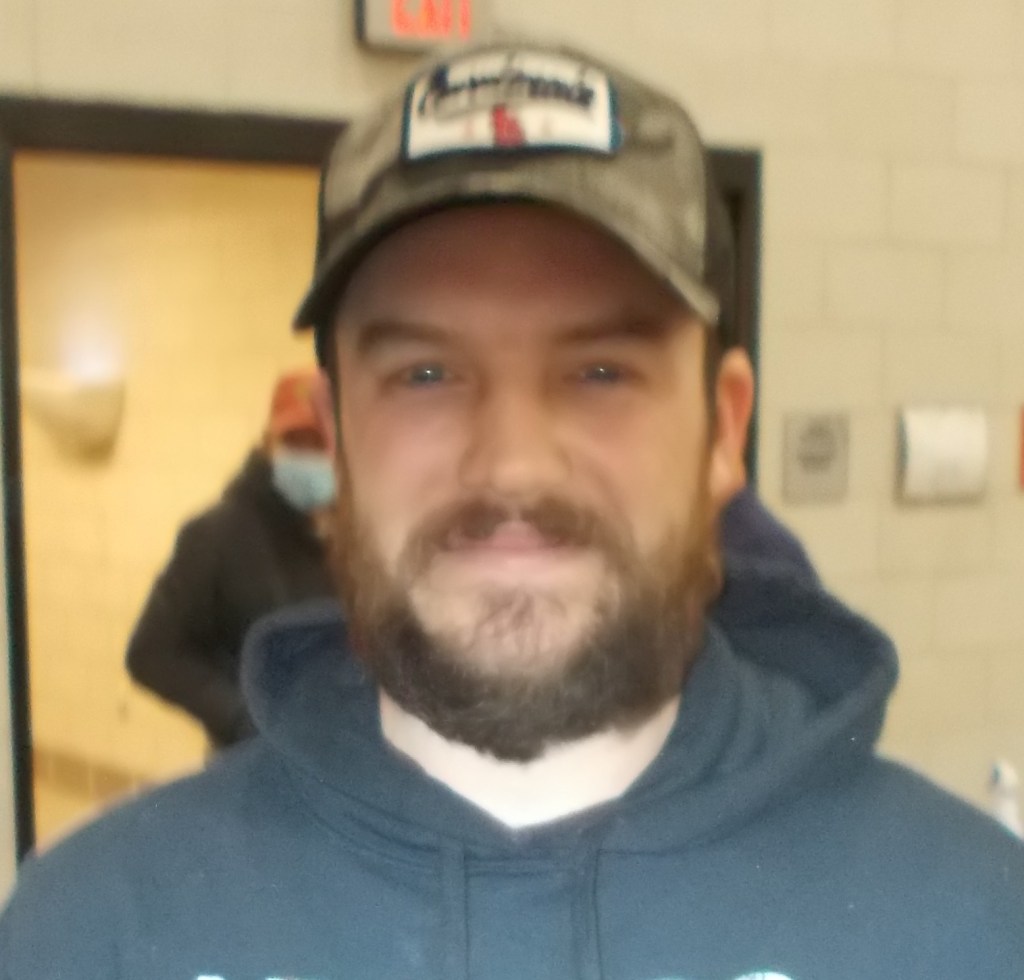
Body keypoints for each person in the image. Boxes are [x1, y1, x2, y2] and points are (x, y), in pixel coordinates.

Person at [3, 36, 1022, 979]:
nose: (513, 465)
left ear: (723, 430)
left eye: (600, 370)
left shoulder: (971, 924)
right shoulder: (96, 932)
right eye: (426, 372)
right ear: (336, 435)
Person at [125, 368, 336, 748]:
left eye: (321, 443)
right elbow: (152, 653)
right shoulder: (216, 536)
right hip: (256, 764)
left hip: (341, 759)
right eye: (295, 442)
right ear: (268, 444)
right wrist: (244, 718)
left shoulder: (355, 538)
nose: (310, 456)